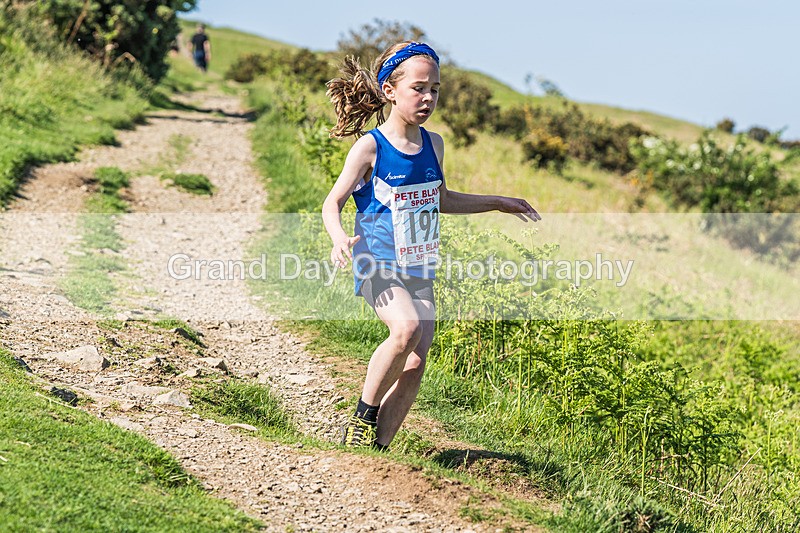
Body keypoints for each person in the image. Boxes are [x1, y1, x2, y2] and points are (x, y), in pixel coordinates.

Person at [322, 41, 540, 450]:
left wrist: (498, 202)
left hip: (419, 263)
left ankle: (377, 451)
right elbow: (332, 202)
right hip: (376, 259)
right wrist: (338, 239)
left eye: (435, 90)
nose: (428, 98)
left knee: (417, 360)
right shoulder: (371, 147)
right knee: (405, 330)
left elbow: (441, 198)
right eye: (418, 88)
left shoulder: (434, 144)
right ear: (389, 90)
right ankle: (361, 418)